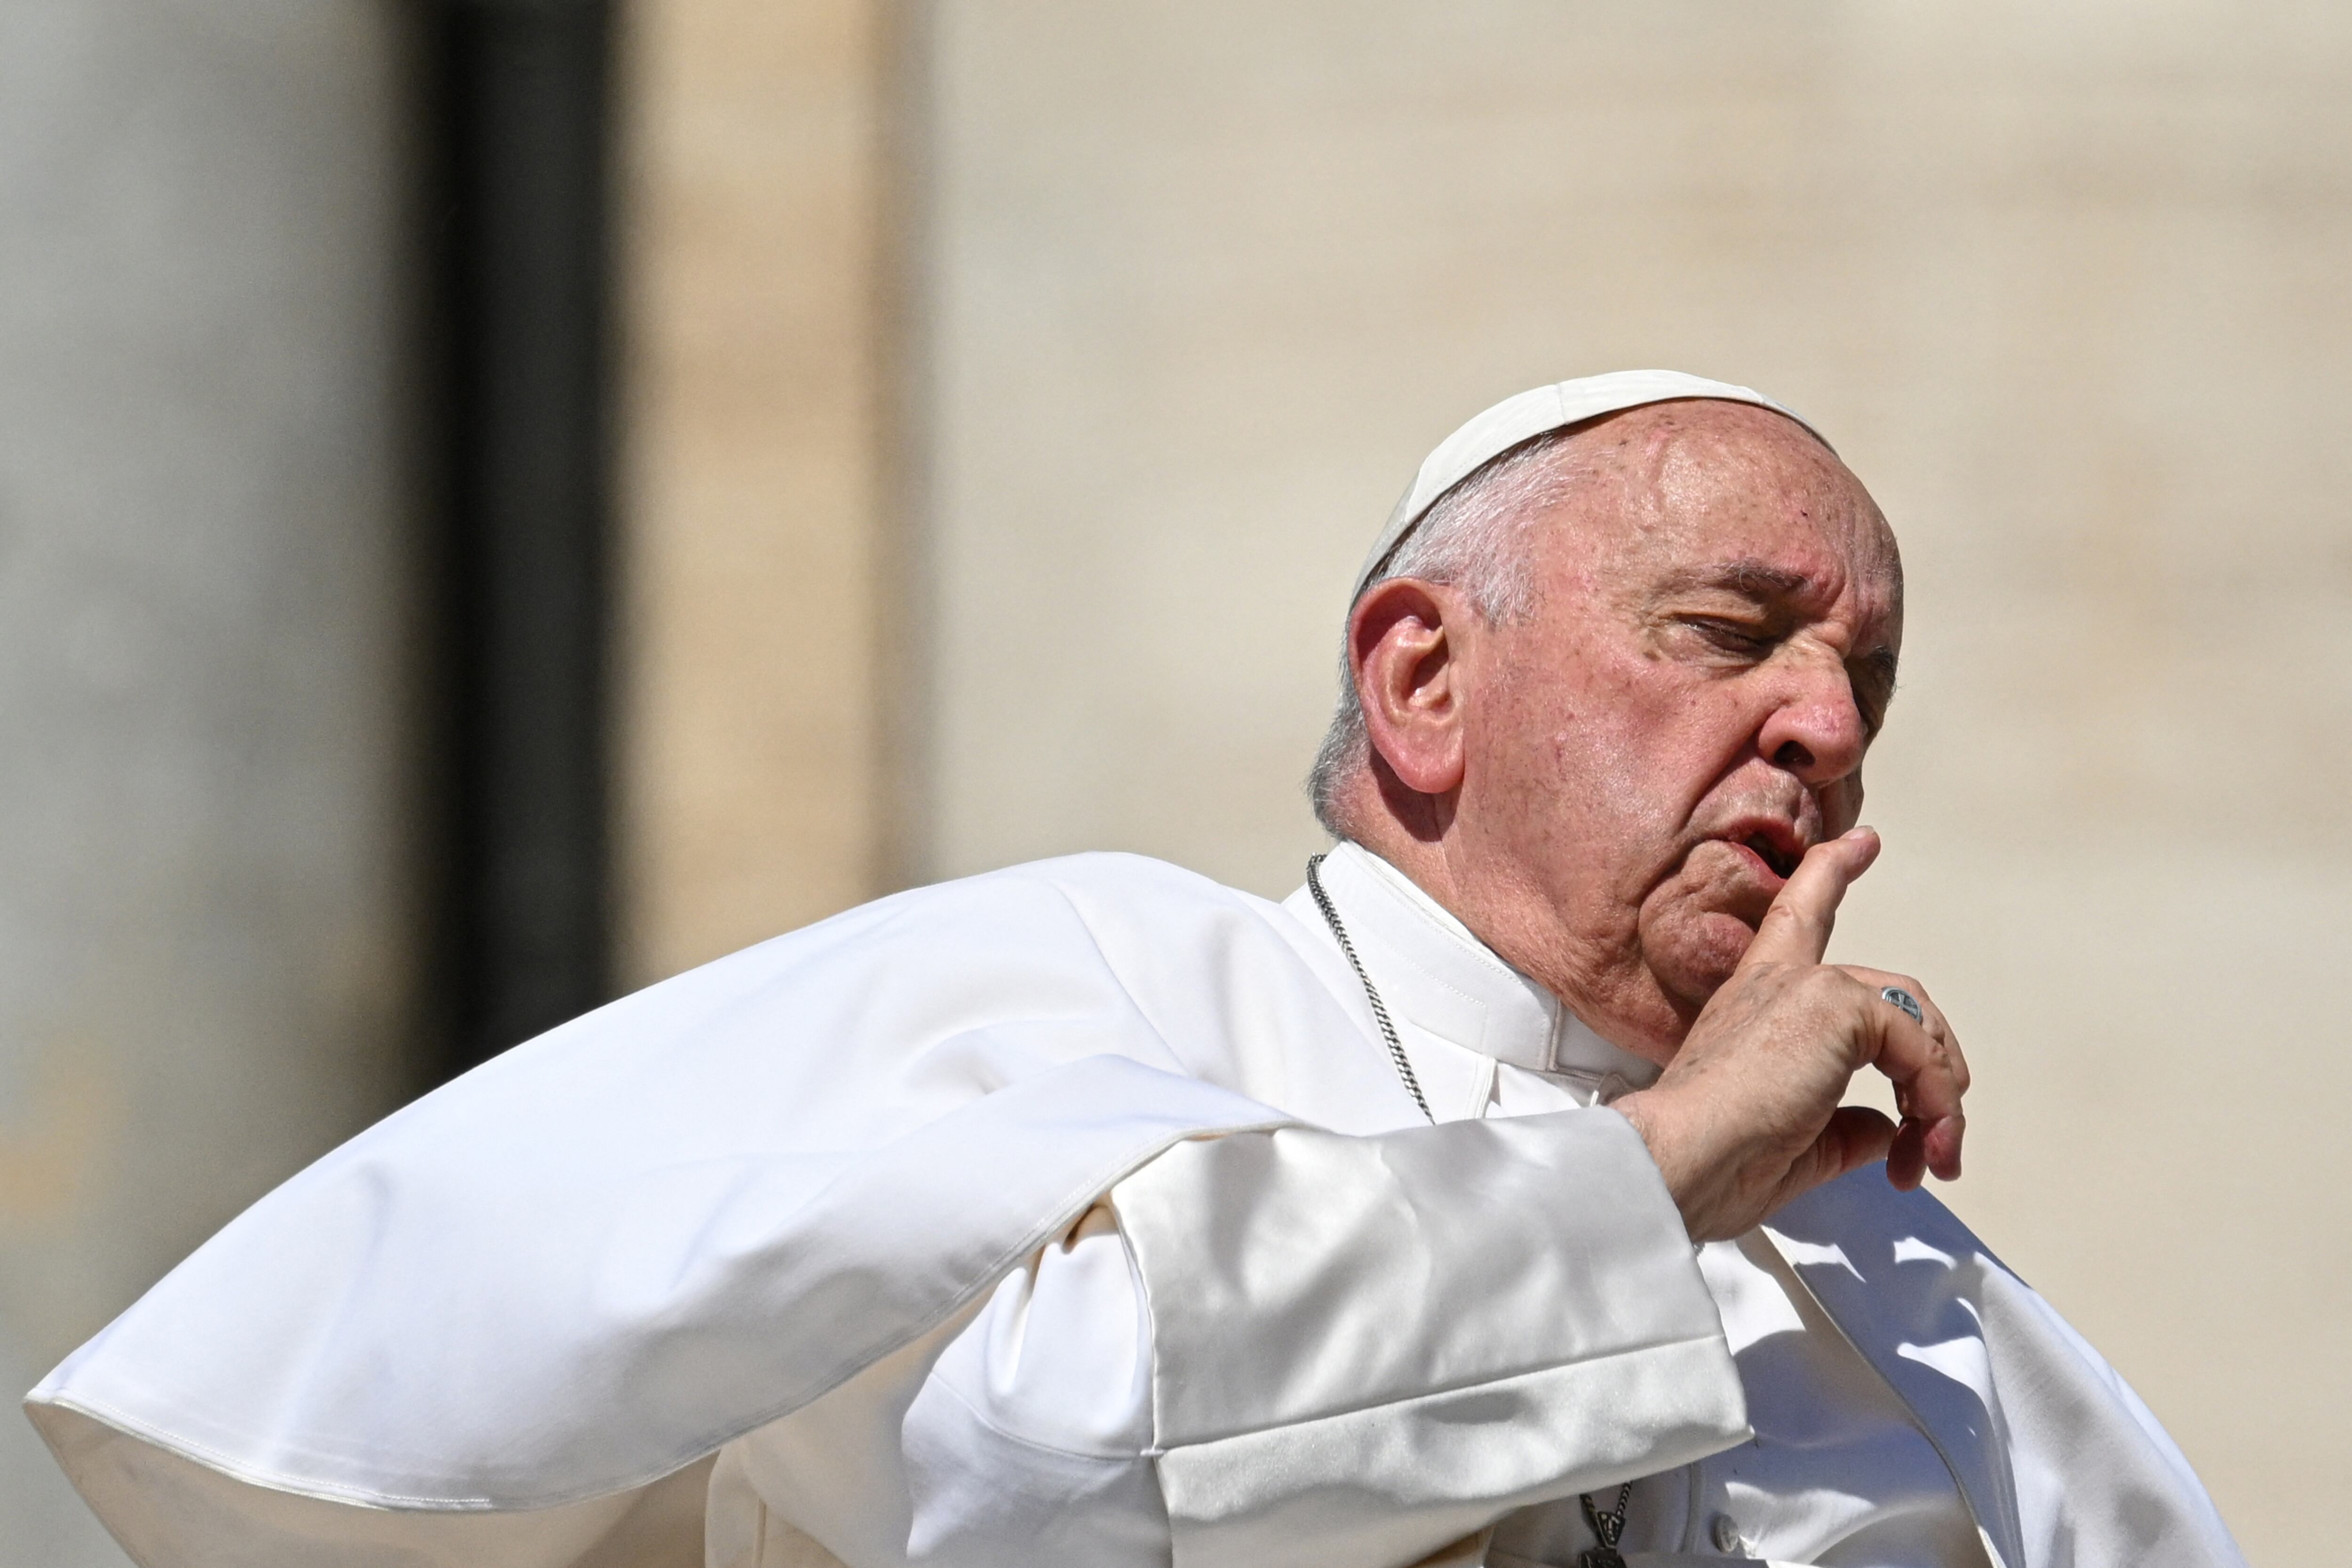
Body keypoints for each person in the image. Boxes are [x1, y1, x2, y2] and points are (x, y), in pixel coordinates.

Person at [27, 372, 2243, 1568]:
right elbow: (1033, 1491)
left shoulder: (1911, 1294)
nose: (1825, 728)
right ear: (1421, 680)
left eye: (1860, 680)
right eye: (1730, 635)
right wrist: (1647, 1178)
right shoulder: (1091, 999)